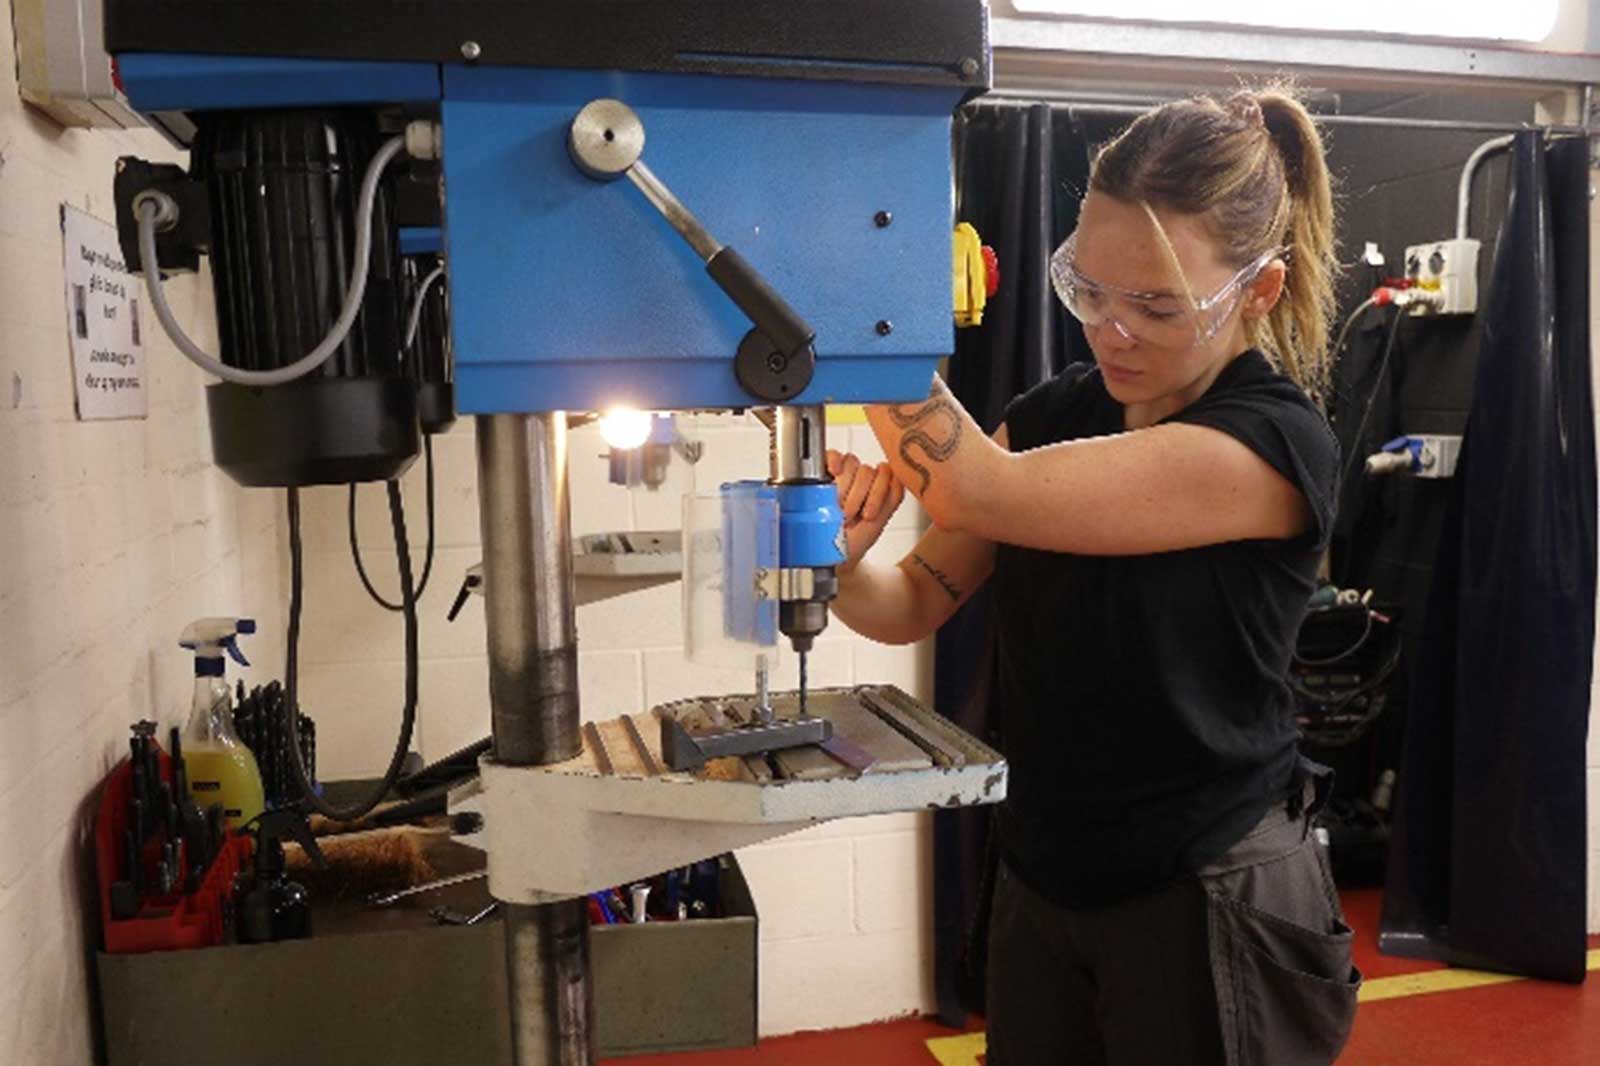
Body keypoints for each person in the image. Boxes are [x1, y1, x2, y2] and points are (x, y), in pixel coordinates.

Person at [828, 88, 1360, 1065]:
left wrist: (847, 303)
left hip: (1202, 882)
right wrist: (833, 567)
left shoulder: (1267, 445)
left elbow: (968, 490)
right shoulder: (1053, 410)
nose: (1110, 330)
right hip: (1045, 870)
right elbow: (913, 600)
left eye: (1156, 304)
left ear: (1259, 290)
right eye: (1090, 290)